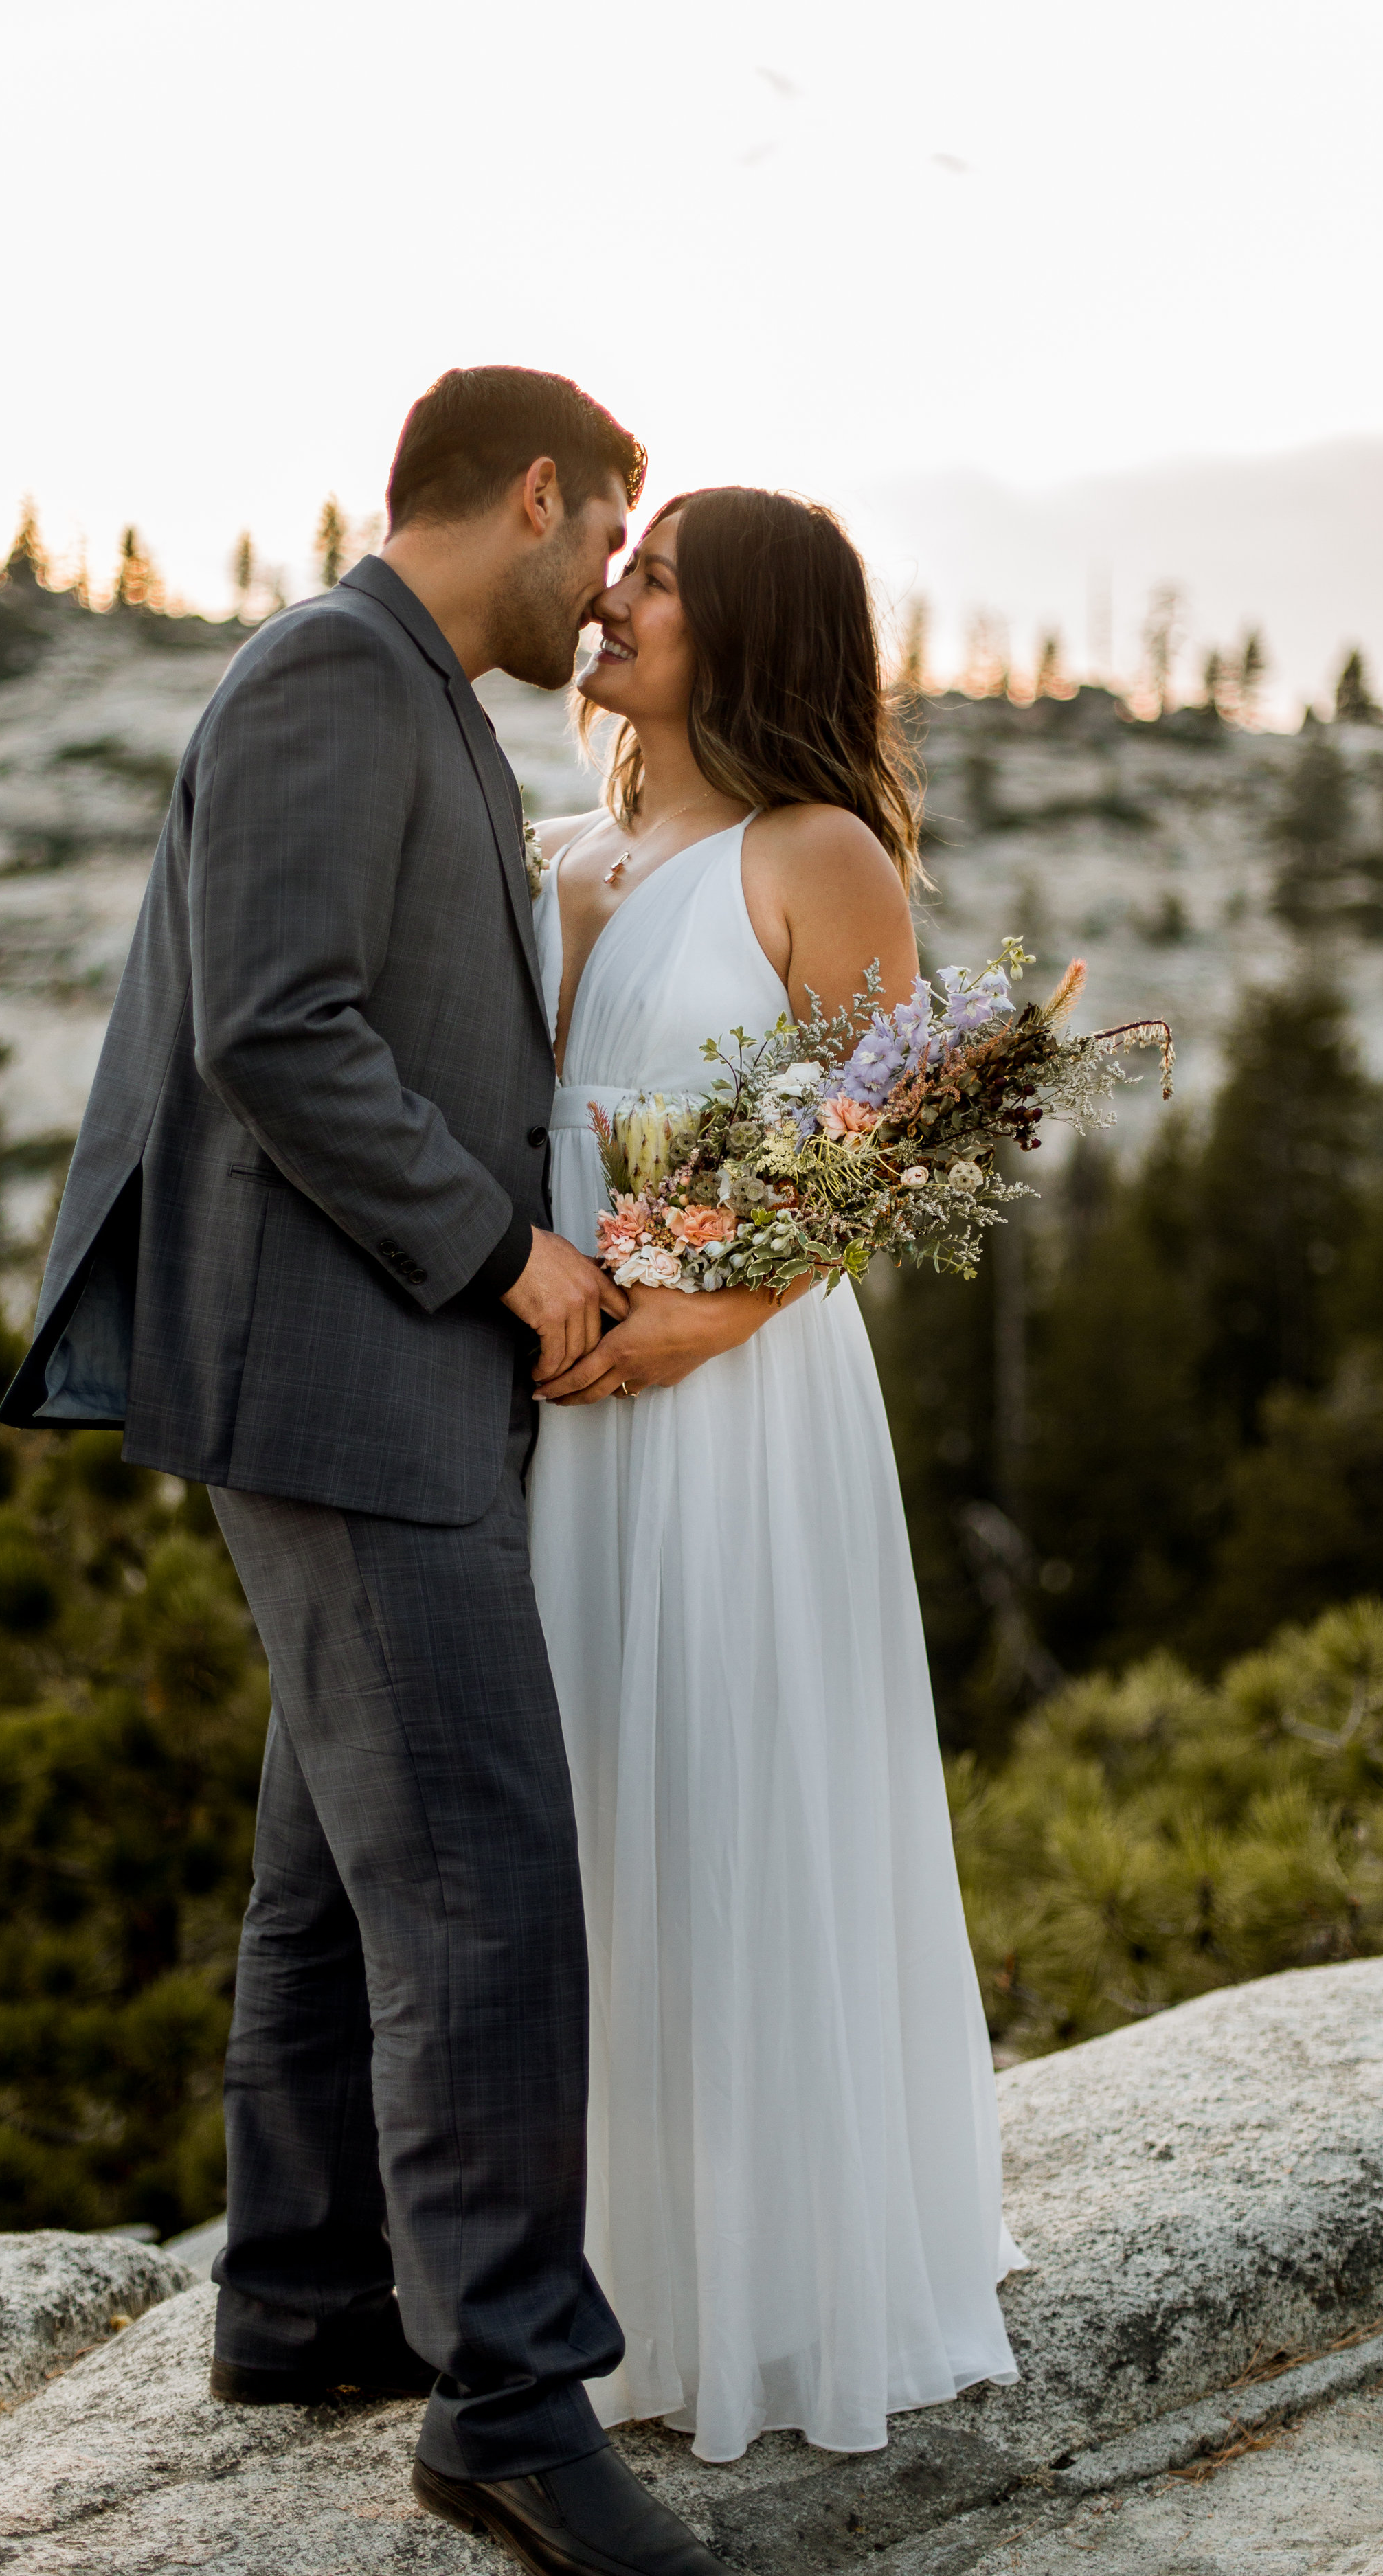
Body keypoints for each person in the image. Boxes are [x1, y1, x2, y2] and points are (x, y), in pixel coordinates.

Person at [0, 369, 735, 2576]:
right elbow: (279, 1024)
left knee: (331, 1866)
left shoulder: (407, 688)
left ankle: (303, 2304)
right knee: (485, 1880)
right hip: (342, 1364)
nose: (608, 579)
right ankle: (507, 2400)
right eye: (605, 530)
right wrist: (503, 1260)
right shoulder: (330, 674)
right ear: (536, 493)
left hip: (350, 1369)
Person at [526, 487, 1024, 2465]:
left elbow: (884, 1147)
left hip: (738, 1406)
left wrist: (707, 1321)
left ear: (745, 633)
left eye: (655, 577)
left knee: (739, 1791)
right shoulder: (560, 855)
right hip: (565, 1400)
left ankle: (781, 2288)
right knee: (578, 1816)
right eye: (618, 565)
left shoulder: (814, 855)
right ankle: (592, 2282)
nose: (611, 593)